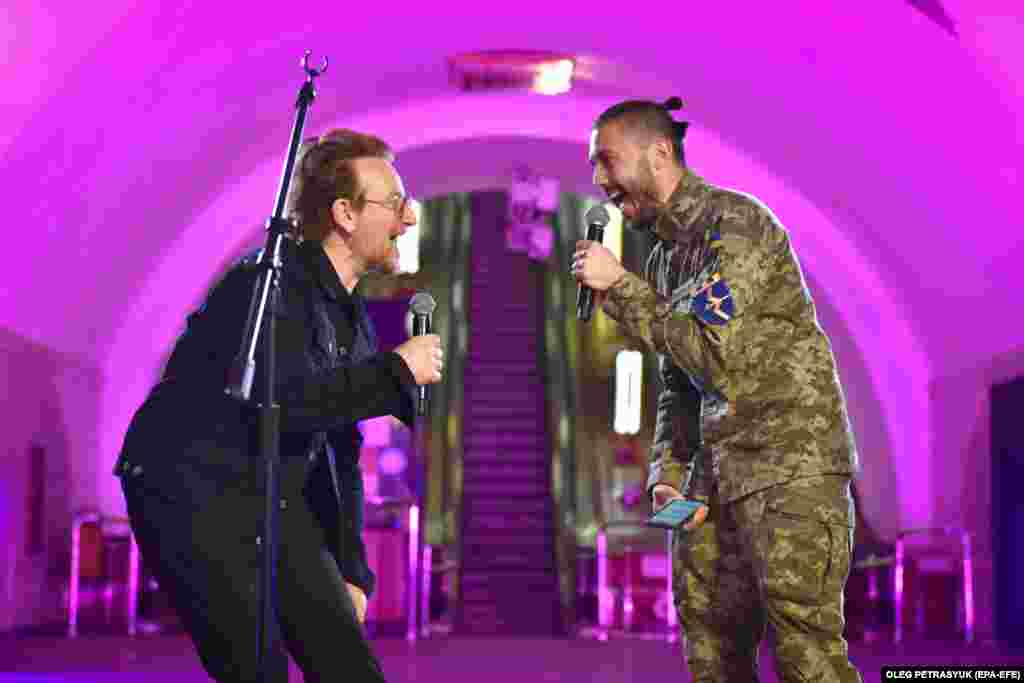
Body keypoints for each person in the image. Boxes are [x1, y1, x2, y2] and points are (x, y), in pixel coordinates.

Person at [114, 129, 443, 682]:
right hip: (190, 486)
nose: (408, 218)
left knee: (347, 664)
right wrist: (395, 371)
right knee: (256, 668)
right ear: (344, 212)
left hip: (268, 492)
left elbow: (339, 449)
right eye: (395, 204)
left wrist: (352, 573)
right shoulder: (270, 283)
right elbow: (285, 404)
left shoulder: (351, 317)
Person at [573, 98, 861, 682]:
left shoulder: (735, 226)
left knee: (806, 655)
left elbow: (715, 355)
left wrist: (622, 287)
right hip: (712, 485)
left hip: (787, 470)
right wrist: (667, 472)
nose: (599, 181)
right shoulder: (664, 258)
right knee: (711, 650)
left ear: (659, 154)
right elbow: (679, 381)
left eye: (607, 161)